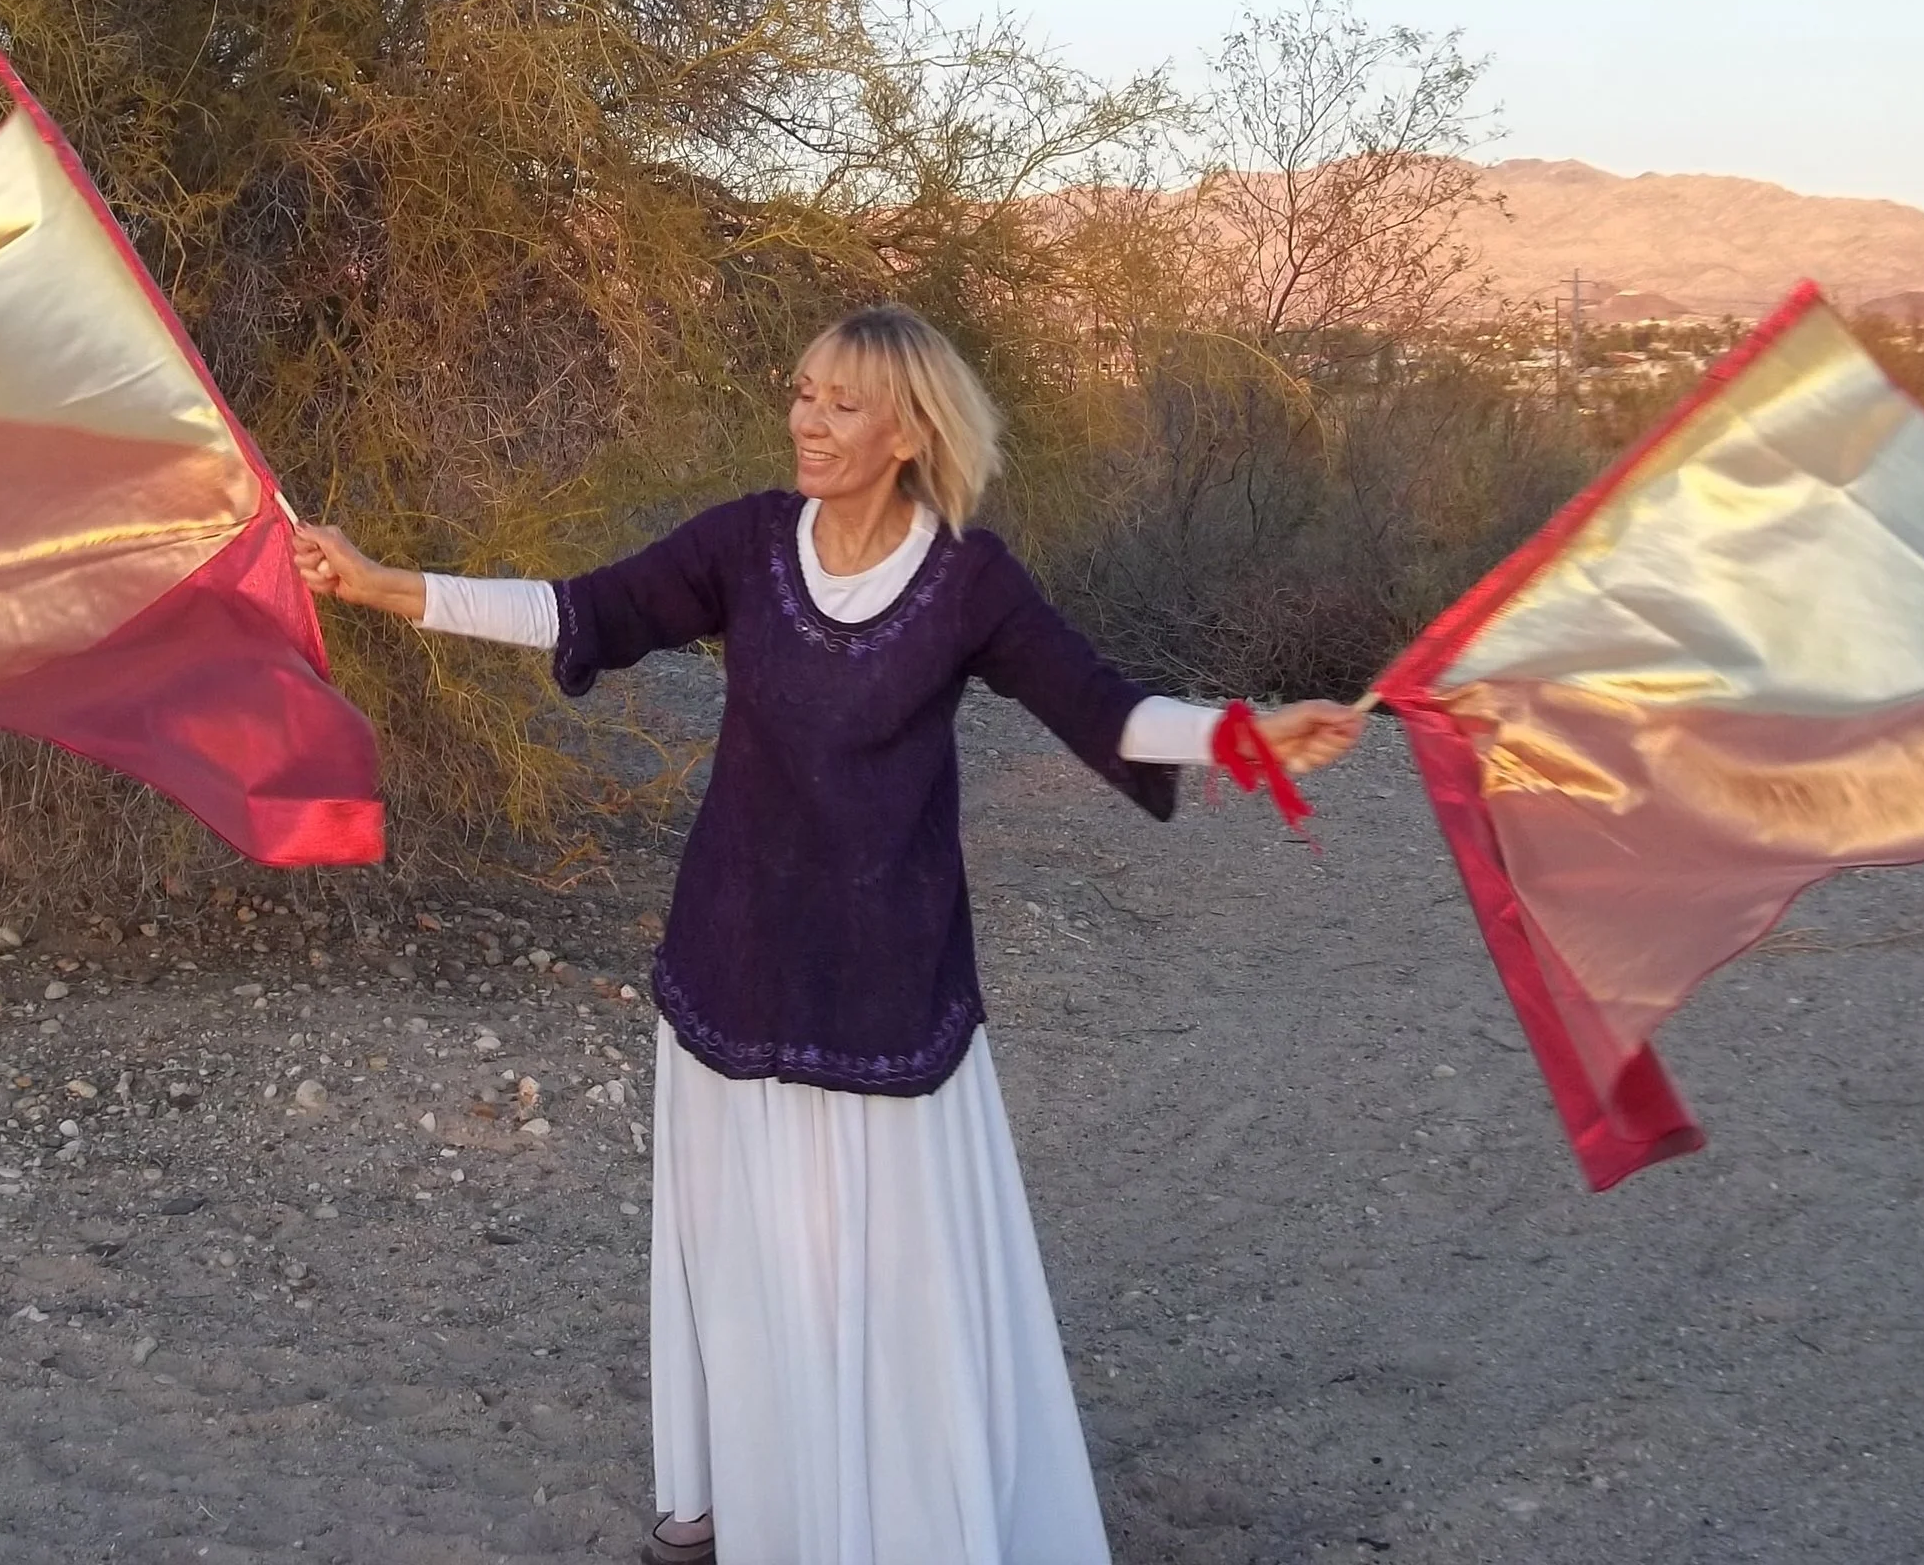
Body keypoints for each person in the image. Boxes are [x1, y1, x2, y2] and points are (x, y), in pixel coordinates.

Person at [292, 304, 1364, 1565]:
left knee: (890, 1280)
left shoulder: (970, 579)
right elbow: (579, 609)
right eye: (801, 390)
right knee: (746, 1262)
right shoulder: (746, 543)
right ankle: (730, 1506)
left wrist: (1245, 732)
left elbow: (1103, 709)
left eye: (841, 401)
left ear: (908, 430)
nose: (807, 417)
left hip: (885, 981)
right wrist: (382, 584)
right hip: (734, 957)